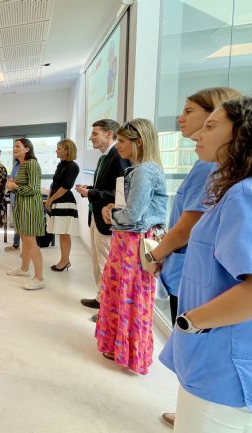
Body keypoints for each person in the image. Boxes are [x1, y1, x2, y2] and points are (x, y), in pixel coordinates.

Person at [144, 87, 241, 429]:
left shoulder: (233, 186)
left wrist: (190, 321)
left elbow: (189, 224)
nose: (186, 124)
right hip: (204, 313)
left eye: (208, 124)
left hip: (217, 337)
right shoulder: (220, 176)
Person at [94, 118, 167, 375]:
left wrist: (110, 213)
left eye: (123, 142)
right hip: (128, 239)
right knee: (122, 293)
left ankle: (128, 350)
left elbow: (133, 214)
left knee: (129, 295)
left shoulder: (145, 171)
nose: (119, 146)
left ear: (139, 143)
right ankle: (119, 345)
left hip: (133, 242)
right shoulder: (142, 169)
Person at [75, 119, 131, 321]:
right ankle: (101, 298)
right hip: (97, 216)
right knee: (98, 263)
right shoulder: (103, 158)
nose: (91, 137)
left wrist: (91, 193)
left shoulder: (118, 156)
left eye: (95, 133)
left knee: (106, 265)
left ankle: (108, 310)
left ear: (110, 134)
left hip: (107, 219)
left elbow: (121, 193)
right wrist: (90, 191)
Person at [5, 139, 45, 290]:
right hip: (22, 205)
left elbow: (34, 189)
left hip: (30, 207)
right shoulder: (20, 165)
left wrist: (14, 186)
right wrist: (13, 186)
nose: (15, 148)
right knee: (25, 240)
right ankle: (24, 269)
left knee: (31, 242)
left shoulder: (32, 164)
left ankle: (39, 278)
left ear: (27, 149)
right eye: (14, 146)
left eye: (18, 146)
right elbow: (22, 185)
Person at [46, 139, 80, 271]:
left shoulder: (73, 166)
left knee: (65, 233)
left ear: (67, 150)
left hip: (65, 202)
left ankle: (65, 260)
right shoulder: (61, 164)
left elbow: (65, 187)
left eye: (59, 148)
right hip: (57, 200)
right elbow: (54, 185)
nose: (56, 150)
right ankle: (64, 260)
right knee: (61, 232)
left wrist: (50, 200)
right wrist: (50, 198)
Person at [5, 158, 22, 252]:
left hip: (22, 198)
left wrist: (14, 182)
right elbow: (11, 178)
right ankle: (16, 244)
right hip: (14, 197)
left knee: (23, 224)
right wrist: (10, 181)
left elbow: (22, 182)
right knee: (17, 224)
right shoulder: (16, 164)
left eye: (18, 147)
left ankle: (29, 248)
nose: (15, 150)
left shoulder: (29, 164)